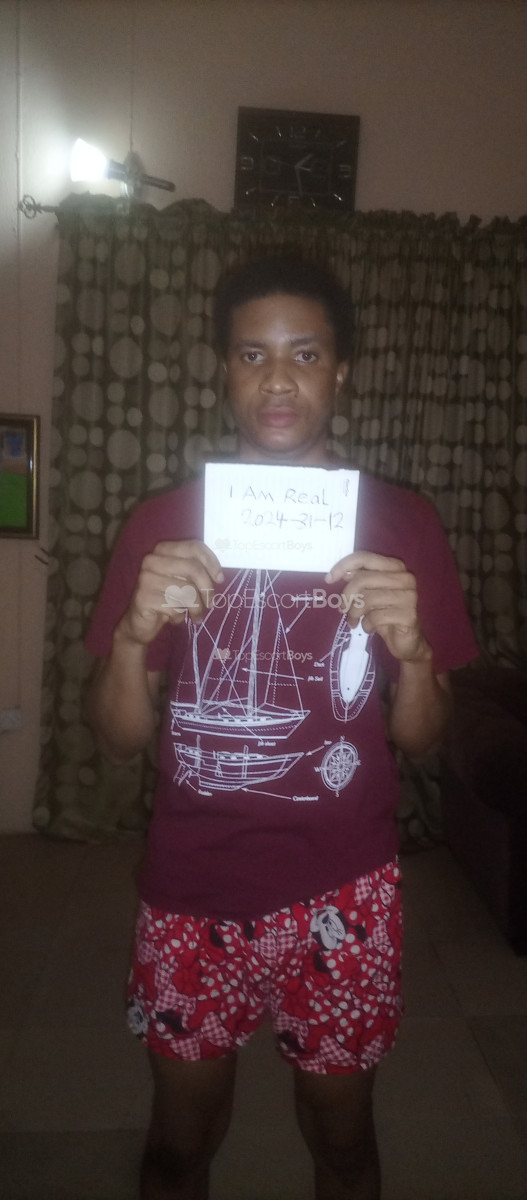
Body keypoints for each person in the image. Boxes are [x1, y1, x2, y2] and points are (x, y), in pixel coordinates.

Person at [85, 256, 478, 1200]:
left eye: (303, 354)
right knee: (178, 1143)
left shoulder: (404, 524)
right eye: (251, 354)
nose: (276, 379)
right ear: (223, 369)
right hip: (190, 887)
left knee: (342, 1141)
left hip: (345, 889)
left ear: (340, 370)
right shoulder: (160, 525)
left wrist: (414, 650)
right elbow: (118, 740)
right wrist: (134, 635)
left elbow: (425, 741)